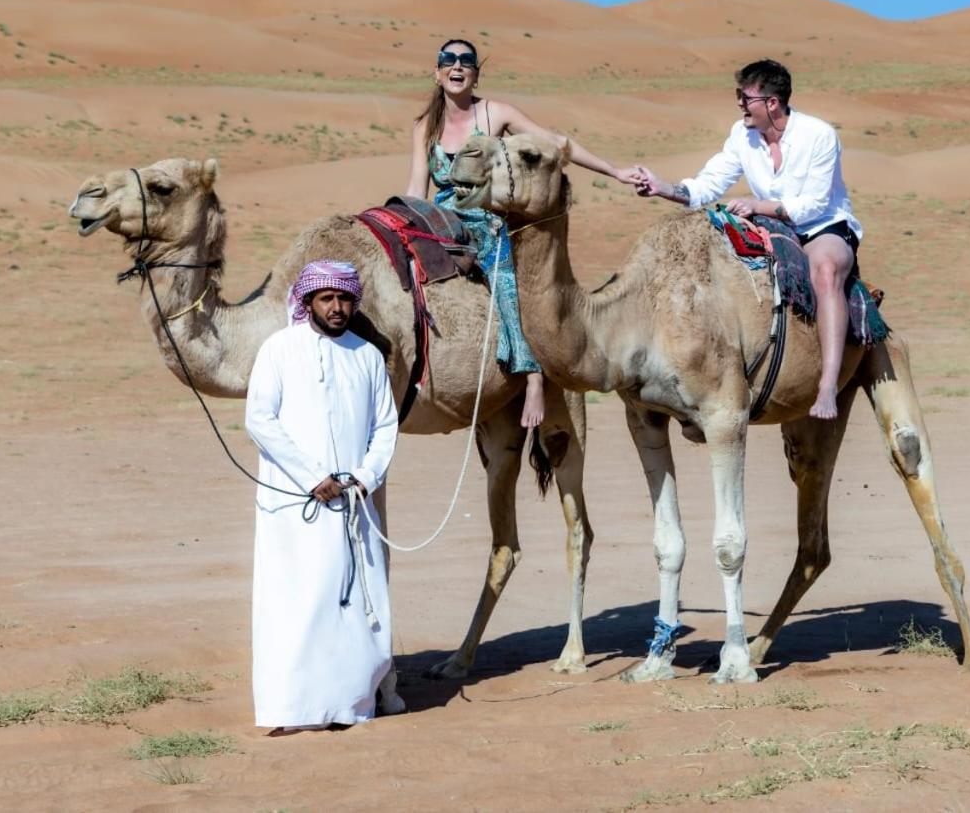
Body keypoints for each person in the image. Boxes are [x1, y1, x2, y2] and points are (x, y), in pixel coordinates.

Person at [406, 38, 638, 428]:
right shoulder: (424, 126)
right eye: (449, 60)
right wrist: (401, 217)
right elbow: (417, 186)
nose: (457, 66)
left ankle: (532, 377)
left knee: (508, 280)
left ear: (476, 72)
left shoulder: (495, 114)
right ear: (437, 71)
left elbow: (556, 145)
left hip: (487, 220)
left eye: (466, 60)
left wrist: (614, 171)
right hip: (442, 223)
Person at [631, 59, 861, 420]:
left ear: (771, 102)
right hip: (767, 224)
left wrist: (760, 205)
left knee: (826, 270)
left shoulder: (819, 135)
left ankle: (828, 384)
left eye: (744, 96)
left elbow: (814, 203)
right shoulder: (742, 135)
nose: (739, 103)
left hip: (821, 225)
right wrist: (664, 188)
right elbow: (709, 183)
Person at [245, 261, 399, 733]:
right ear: (307, 301)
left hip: (353, 502)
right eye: (327, 298)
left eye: (345, 299)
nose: (337, 307)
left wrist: (363, 477)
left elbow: (385, 426)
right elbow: (259, 419)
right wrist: (313, 477)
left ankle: (352, 703)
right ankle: (292, 709)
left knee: (355, 603)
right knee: (298, 602)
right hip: (296, 506)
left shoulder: (367, 356)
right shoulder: (279, 349)